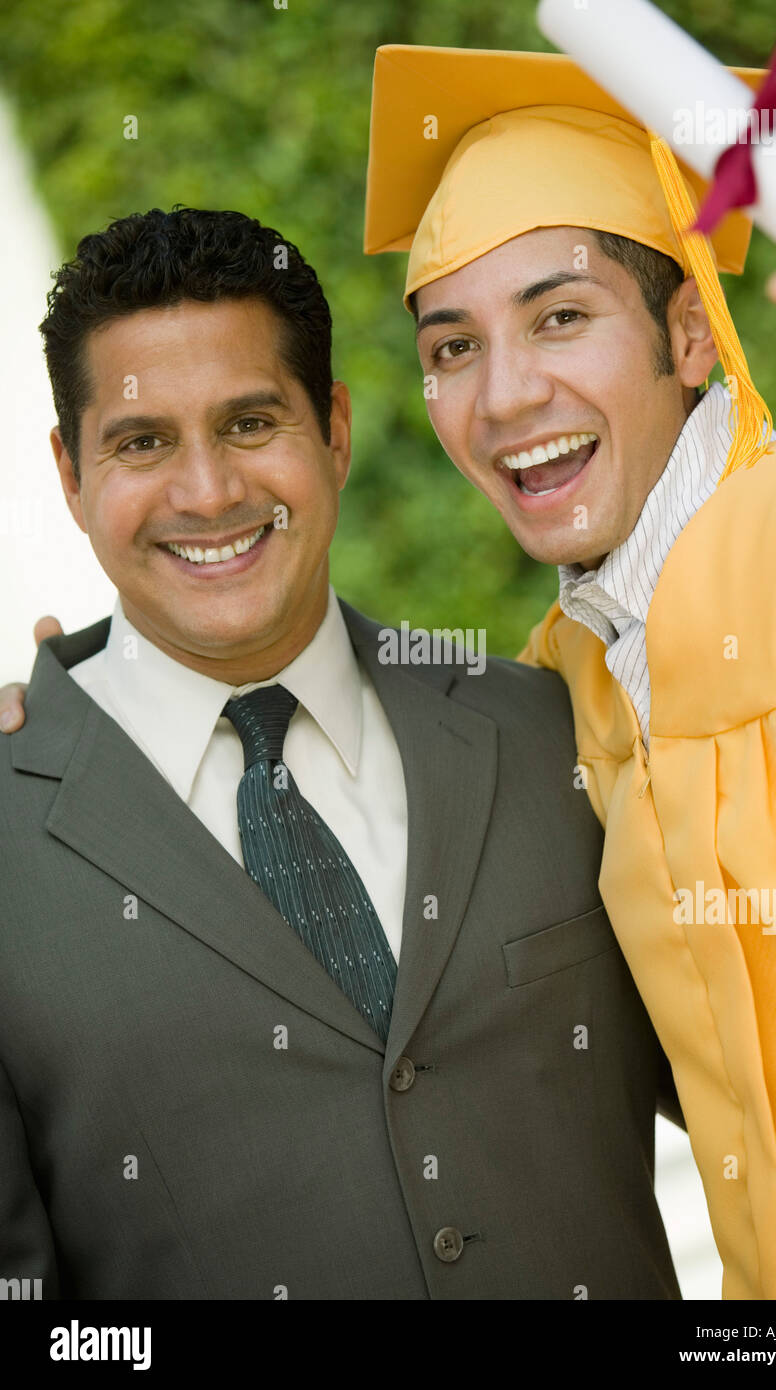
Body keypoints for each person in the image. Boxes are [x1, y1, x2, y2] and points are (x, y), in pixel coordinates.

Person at [0, 206, 682, 1301]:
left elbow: (771, 1068)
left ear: (335, 431)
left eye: (250, 422)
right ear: (71, 476)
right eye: (140, 443)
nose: (209, 493)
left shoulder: (556, 731)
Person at [361, 43, 776, 1301]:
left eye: (561, 316)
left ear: (690, 333)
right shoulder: (559, 685)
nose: (504, 394)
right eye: (452, 347)